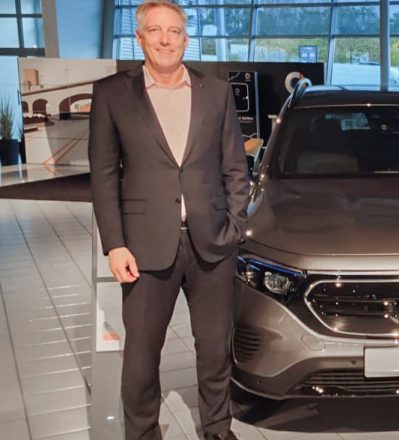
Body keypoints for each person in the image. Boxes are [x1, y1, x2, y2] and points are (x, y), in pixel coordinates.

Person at [88, 0, 250, 439]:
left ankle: (217, 428)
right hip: (143, 246)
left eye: (174, 31)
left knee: (215, 349)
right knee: (142, 356)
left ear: (185, 38)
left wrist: (234, 226)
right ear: (139, 37)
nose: (165, 40)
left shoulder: (215, 92)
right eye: (155, 31)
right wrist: (114, 244)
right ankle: (142, 433)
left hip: (212, 243)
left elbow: (235, 167)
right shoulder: (112, 94)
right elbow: (104, 175)